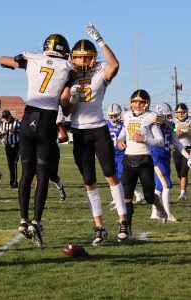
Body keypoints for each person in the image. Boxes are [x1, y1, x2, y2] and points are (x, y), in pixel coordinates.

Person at [0, 33, 73, 247]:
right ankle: (36, 222)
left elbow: (1, 60)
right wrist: (67, 107)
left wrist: (19, 60)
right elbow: (65, 100)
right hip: (46, 122)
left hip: (27, 120)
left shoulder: (32, 59)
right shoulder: (68, 68)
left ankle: (23, 219)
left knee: (26, 173)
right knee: (42, 175)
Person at [64, 22, 129, 246]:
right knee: (89, 181)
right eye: (78, 57)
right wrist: (70, 98)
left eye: (86, 57)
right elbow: (65, 110)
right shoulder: (68, 75)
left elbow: (115, 64)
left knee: (111, 174)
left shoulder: (100, 70)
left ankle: (123, 221)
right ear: (73, 57)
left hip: (99, 128)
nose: (82, 61)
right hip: (79, 132)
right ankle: (99, 227)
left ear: (92, 57)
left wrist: (100, 40)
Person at [117, 89, 168, 237]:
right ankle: (127, 229)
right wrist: (120, 140)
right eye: (135, 102)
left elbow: (159, 141)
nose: (137, 104)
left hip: (144, 159)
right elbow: (123, 133)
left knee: (149, 197)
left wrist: (144, 138)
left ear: (146, 104)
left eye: (141, 102)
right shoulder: (126, 115)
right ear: (131, 103)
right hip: (128, 159)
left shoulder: (150, 117)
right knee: (127, 197)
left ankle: (159, 208)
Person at [150, 102, 191, 221]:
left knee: (159, 187)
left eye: (169, 115)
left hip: (166, 158)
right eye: (167, 116)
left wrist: (188, 157)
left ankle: (154, 213)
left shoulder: (169, 126)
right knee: (167, 185)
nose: (169, 118)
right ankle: (167, 214)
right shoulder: (153, 126)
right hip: (156, 157)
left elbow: (177, 144)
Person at [106, 103, 145, 210]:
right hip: (110, 155)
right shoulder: (106, 125)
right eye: (111, 115)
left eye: (115, 115)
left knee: (121, 177)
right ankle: (135, 194)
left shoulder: (124, 124)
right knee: (111, 176)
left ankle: (120, 199)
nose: (113, 117)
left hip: (122, 154)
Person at [172, 103, 191, 201]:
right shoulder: (173, 122)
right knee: (180, 173)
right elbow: (171, 134)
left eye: (182, 112)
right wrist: (175, 134)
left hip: (188, 149)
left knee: (184, 172)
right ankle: (184, 190)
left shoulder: (189, 121)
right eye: (179, 112)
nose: (180, 114)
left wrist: (186, 133)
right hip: (176, 150)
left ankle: (182, 193)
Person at [0, 110, 20, 188]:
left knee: (13, 163)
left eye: (6, 117)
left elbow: (24, 132)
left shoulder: (17, 122)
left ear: (10, 116)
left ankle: (14, 182)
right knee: (10, 164)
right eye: (4, 118)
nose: (5, 119)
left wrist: (16, 131)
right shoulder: (3, 123)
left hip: (16, 145)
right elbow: (0, 136)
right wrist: (2, 134)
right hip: (7, 146)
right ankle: (13, 182)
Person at [50, 106, 68, 201]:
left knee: (52, 175)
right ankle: (39, 197)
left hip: (53, 150)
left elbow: (65, 137)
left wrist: (54, 141)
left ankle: (60, 188)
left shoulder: (57, 120)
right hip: (40, 149)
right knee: (40, 174)